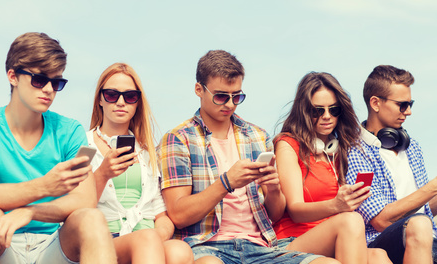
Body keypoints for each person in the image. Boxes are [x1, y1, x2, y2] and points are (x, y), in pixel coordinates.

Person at [158, 50, 337, 264]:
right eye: (221, 96)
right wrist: (226, 182)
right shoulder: (178, 139)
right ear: (199, 90)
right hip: (206, 247)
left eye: (237, 96)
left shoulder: (257, 136)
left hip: (260, 247)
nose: (230, 104)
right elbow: (178, 215)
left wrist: (273, 190)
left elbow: (276, 214)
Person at [0, 32, 117, 263]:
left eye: (56, 82)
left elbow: (84, 200)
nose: (48, 89)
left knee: (91, 218)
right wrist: (45, 186)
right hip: (0, 243)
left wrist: (28, 212)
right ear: (12, 76)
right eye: (39, 80)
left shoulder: (69, 130)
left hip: (53, 245)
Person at [272, 72, 391, 264]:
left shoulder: (340, 150)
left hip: (337, 240)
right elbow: (295, 210)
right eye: (317, 111)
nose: (327, 117)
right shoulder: (288, 144)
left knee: (379, 256)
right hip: (293, 241)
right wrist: (336, 205)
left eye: (333, 110)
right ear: (304, 111)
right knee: (350, 220)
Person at [87, 62, 194, 264]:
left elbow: (160, 214)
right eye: (111, 95)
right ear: (100, 99)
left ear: (137, 103)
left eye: (129, 97)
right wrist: (102, 174)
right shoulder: (83, 144)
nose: (120, 102)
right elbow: (77, 206)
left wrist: (158, 235)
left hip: (148, 237)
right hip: (106, 238)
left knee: (180, 250)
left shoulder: (148, 153)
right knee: (145, 239)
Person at [346, 65, 437, 264]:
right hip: (380, 243)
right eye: (402, 105)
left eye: (410, 103)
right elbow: (380, 220)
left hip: (424, 237)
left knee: (421, 224)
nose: (409, 111)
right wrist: (433, 186)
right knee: (420, 224)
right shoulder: (355, 152)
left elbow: (421, 208)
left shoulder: (412, 147)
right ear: (376, 103)